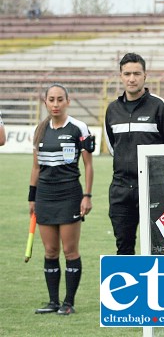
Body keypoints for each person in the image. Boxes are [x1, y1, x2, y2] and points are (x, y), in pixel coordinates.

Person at [28, 84, 94, 315]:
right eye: (51, 100)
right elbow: (36, 167)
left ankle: (68, 303)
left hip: (69, 195)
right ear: (45, 102)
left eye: (59, 99)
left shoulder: (78, 127)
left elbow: (88, 165)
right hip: (45, 196)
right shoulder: (40, 129)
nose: (55, 104)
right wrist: (32, 198)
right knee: (50, 251)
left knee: (70, 251)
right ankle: (53, 302)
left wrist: (87, 195)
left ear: (68, 101)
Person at [104, 52, 164, 255]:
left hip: (153, 188)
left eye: (136, 73)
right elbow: (113, 148)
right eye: (127, 73)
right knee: (124, 249)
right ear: (120, 76)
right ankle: (131, 288)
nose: (132, 78)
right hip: (120, 190)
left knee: (157, 248)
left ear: (145, 75)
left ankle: (157, 288)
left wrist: (154, 174)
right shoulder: (112, 110)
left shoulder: (160, 107)